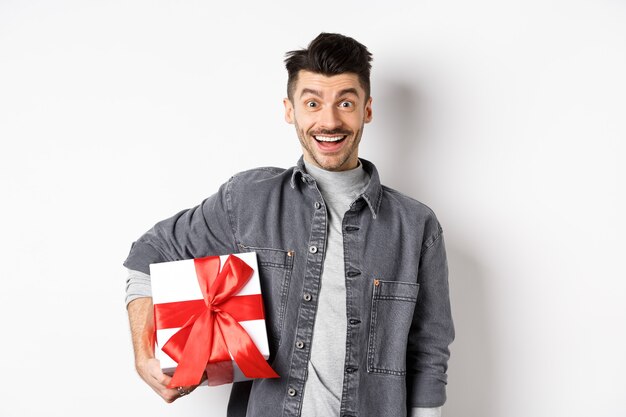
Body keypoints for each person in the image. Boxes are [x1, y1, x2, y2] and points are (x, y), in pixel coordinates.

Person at [124, 32, 454, 417]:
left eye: (345, 102)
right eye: (312, 102)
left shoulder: (416, 226)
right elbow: (150, 254)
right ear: (289, 110)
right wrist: (144, 355)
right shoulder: (248, 199)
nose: (329, 120)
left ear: (367, 109)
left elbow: (429, 352)